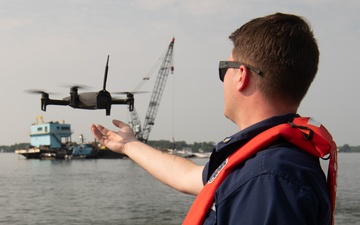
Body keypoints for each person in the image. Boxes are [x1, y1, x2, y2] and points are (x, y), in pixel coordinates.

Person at [91, 12, 336, 225]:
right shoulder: (265, 162)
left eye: (224, 68)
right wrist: (128, 145)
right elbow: (187, 176)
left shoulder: (268, 179)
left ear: (241, 75)